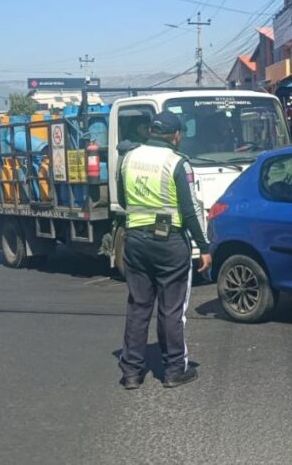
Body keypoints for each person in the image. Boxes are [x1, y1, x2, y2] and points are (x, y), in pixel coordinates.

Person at [118, 112, 210, 390]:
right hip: (169, 242)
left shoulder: (128, 158)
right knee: (171, 309)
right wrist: (203, 246)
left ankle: (132, 373)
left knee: (138, 306)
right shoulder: (177, 162)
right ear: (176, 136)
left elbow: (123, 200)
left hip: (134, 238)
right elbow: (190, 210)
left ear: (151, 131)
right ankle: (174, 370)